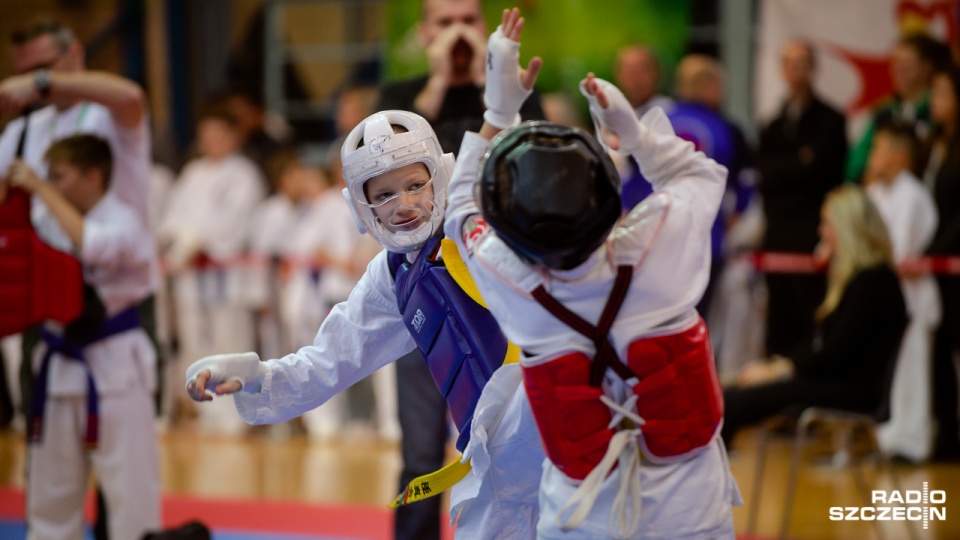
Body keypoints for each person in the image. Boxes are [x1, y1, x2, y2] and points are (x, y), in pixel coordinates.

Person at [183, 12, 545, 537]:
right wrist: (259, 375)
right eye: (384, 194)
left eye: (416, 184)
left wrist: (502, 110)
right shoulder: (391, 276)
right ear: (361, 208)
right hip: (492, 476)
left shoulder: (481, 223)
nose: (404, 205)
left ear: (439, 176)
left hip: (563, 448)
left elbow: (485, 163)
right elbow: (330, 361)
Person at [443, 11, 740, 534]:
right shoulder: (660, 246)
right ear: (607, 197)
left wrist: (500, 108)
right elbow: (696, 172)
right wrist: (635, 136)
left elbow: (462, 210)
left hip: (584, 521)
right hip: (691, 515)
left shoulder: (515, 284)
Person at [377, 2, 544, 536]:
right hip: (423, 291)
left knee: (508, 451)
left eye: (468, 20)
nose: (457, 32)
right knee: (421, 450)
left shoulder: (508, 91)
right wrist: (437, 80)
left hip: (499, 293)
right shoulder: (401, 101)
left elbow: (520, 172)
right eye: (444, 22)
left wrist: (489, 90)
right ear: (425, 31)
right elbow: (382, 180)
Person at [5, 134, 159, 539]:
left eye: (60, 177)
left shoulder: (125, 219)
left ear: (93, 177)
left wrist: (39, 188)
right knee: (50, 494)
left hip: (116, 370)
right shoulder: (49, 219)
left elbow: (93, 247)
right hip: (58, 370)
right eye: (49, 178)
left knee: (130, 493)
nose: (52, 186)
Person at [722, 185, 908, 448]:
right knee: (736, 393)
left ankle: (712, 475)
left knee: (737, 401)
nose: (821, 232)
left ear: (846, 228)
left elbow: (835, 350)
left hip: (853, 390)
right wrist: (780, 365)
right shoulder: (859, 277)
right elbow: (822, 341)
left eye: (827, 224)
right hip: (836, 381)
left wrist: (780, 370)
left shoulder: (874, 281)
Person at [158, 103, 266, 435]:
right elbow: (172, 217)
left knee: (229, 340)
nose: (211, 141)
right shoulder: (192, 174)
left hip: (225, 272)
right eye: (206, 135)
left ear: (233, 137)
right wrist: (182, 240)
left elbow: (237, 222)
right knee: (195, 340)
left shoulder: (244, 173)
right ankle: (207, 414)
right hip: (192, 274)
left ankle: (236, 417)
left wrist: (199, 239)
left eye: (218, 134)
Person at [756, 39, 847, 358]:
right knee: (778, 307)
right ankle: (776, 375)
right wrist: (799, 162)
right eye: (788, 62)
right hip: (777, 233)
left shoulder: (831, 120)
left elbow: (824, 172)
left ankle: (809, 374)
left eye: (801, 62)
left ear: (813, 68)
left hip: (811, 233)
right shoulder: (774, 124)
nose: (795, 70)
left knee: (810, 305)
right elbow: (765, 174)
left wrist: (788, 168)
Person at [864, 123, 939, 462]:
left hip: (911, 296)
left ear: (899, 155)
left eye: (879, 149)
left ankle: (913, 440)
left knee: (912, 370)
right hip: (884, 297)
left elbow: (901, 249)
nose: (873, 157)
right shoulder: (878, 191)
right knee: (891, 372)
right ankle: (889, 436)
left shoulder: (911, 193)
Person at [846, 34, 949, 182]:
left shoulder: (938, 112)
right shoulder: (883, 110)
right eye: (896, 62)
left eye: (907, 63)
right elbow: (855, 164)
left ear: (927, 67)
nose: (899, 69)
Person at [923, 66, 960, 460]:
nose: (935, 103)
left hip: (951, 260)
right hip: (939, 266)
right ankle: (947, 434)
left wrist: (936, 250)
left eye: (943, 95)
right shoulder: (935, 143)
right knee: (940, 348)